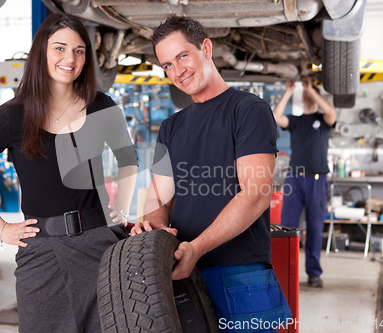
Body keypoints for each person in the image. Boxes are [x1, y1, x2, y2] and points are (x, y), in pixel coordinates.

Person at [0, 13, 138, 333]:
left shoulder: (101, 106)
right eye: (60, 48)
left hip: (99, 245)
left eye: (79, 51)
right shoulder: (13, 117)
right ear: (42, 52)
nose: (70, 58)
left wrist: (122, 206)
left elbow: (128, 158)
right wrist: (0, 228)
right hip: (41, 251)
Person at [131, 15, 292, 332]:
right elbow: (158, 200)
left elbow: (256, 194)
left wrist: (197, 248)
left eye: (182, 56)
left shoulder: (248, 110)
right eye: (167, 65)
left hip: (239, 274)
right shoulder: (171, 127)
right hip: (183, 273)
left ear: (206, 48)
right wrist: (156, 228)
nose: (178, 71)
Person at [272, 77, 336, 288]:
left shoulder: (324, 120)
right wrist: (290, 91)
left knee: (315, 228)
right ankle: (284, 271)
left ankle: (314, 273)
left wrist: (311, 89)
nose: (307, 94)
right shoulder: (296, 121)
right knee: (287, 227)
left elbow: (331, 113)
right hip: (295, 179)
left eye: (310, 92)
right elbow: (276, 116)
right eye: (305, 92)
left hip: (317, 182)